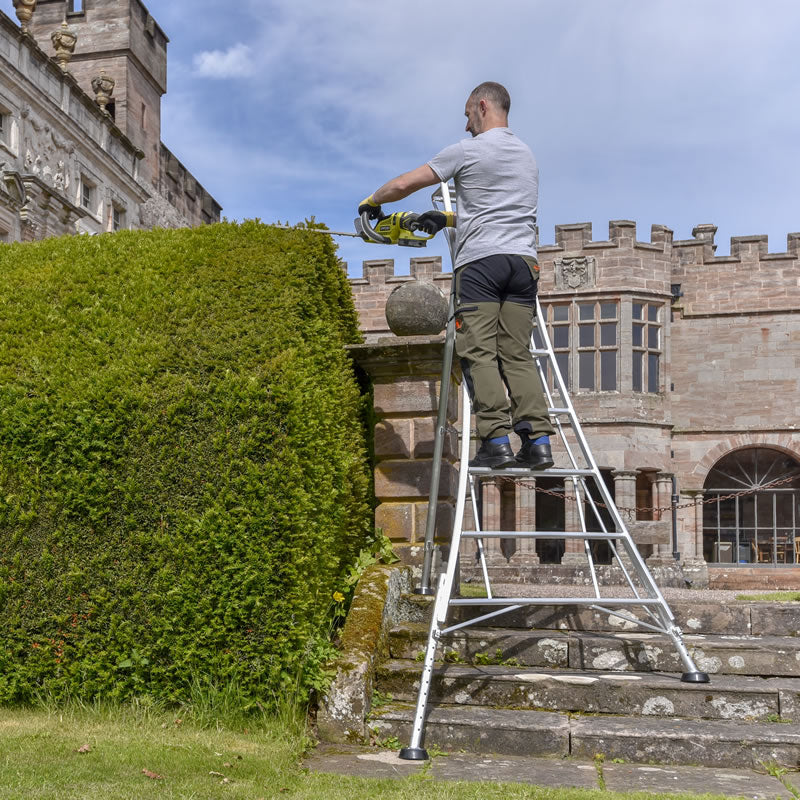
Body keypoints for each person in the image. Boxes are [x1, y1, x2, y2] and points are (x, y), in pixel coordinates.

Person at [358, 81, 554, 470]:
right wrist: (445, 219)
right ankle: (538, 443)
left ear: (482, 106)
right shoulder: (527, 156)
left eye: (467, 115)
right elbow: (497, 212)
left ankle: (496, 440)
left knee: (477, 350)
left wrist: (371, 202)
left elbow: (404, 184)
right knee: (516, 353)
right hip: (522, 264)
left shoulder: (468, 151)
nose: (466, 125)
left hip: (481, 266)